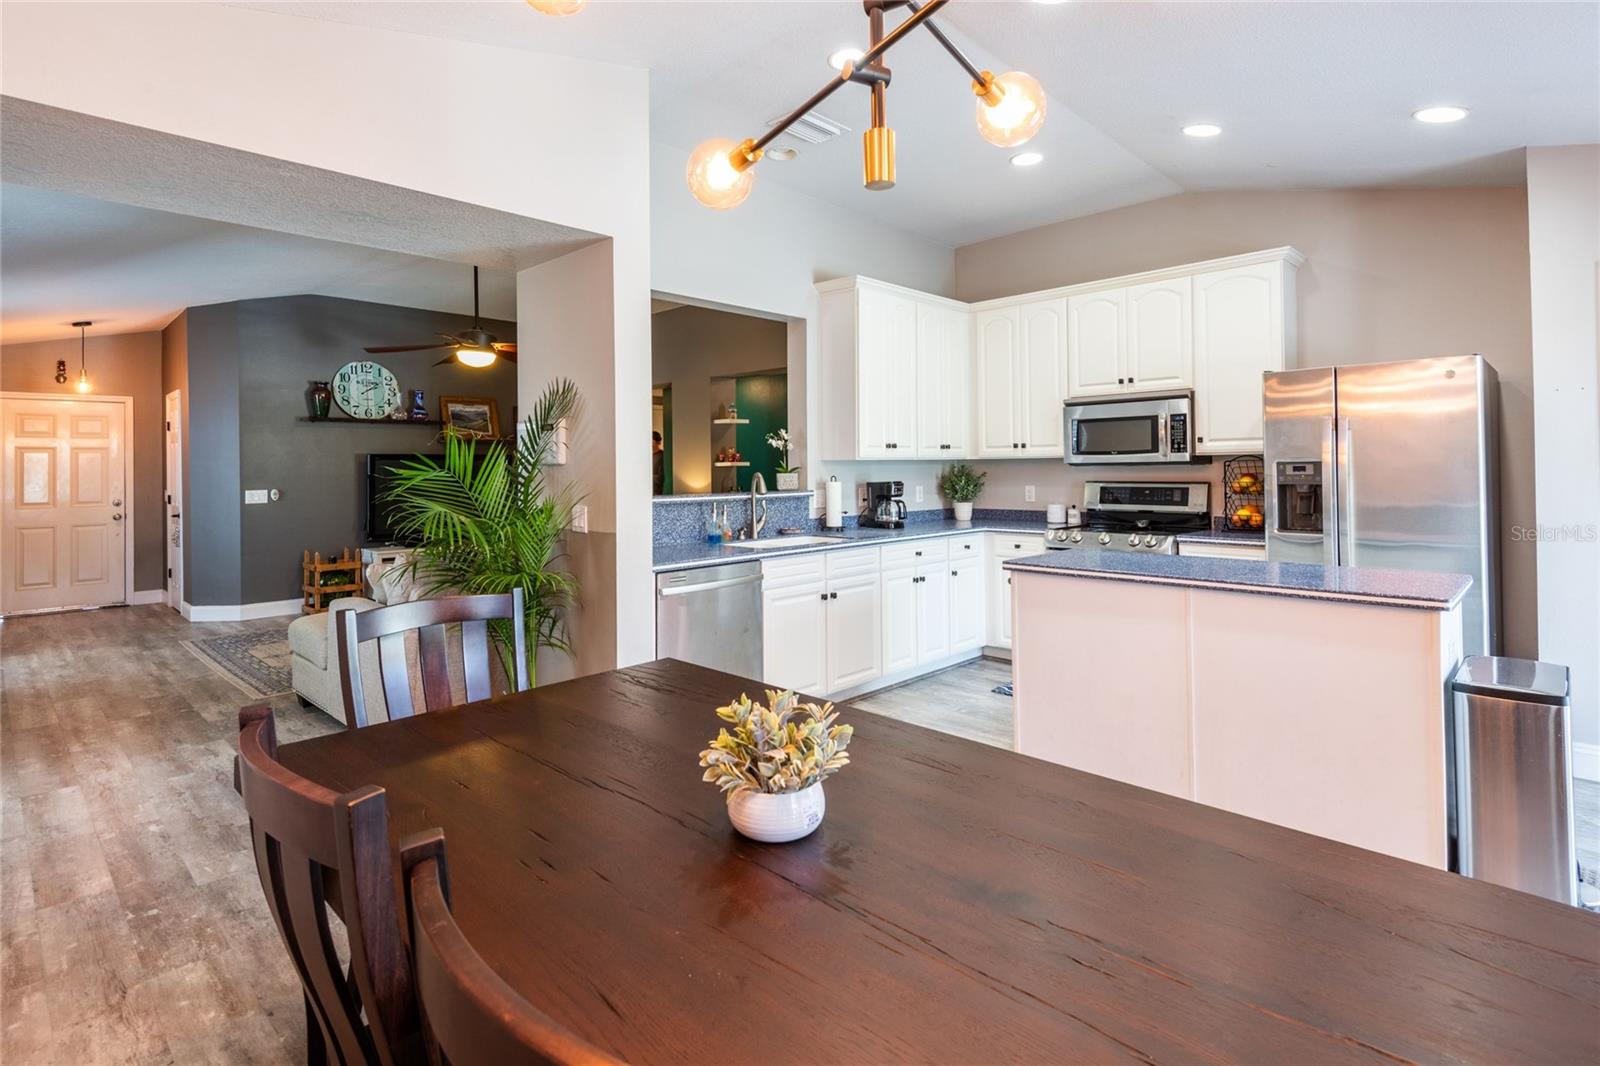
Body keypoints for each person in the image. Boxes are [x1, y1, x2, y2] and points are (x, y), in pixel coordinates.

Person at [652, 430, 665, 494]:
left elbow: (661, 478)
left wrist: (647, 476)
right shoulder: (645, 457)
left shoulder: (662, 456)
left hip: (656, 494)